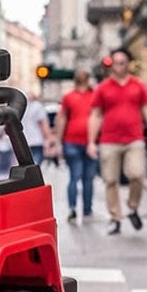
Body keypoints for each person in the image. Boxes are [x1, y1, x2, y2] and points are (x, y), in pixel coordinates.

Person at [87, 48, 147, 235]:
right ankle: (115, 218)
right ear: (112, 65)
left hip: (134, 139)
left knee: (137, 174)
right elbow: (95, 115)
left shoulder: (138, 85)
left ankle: (133, 206)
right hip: (109, 140)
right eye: (116, 62)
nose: (120, 66)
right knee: (110, 180)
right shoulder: (103, 87)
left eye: (123, 62)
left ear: (127, 64)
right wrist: (91, 142)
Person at [54, 69, 97, 222]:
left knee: (75, 177)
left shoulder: (69, 96)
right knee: (87, 178)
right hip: (83, 141)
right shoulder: (93, 95)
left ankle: (73, 208)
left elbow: (62, 119)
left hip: (73, 141)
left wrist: (58, 141)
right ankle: (86, 210)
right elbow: (63, 118)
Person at [21, 92, 54, 167]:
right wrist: (49, 140)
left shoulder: (21, 108)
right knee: (35, 167)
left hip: (23, 141)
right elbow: (43, 124)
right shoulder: (38, 107)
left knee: (26, 166)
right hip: (37, 141)